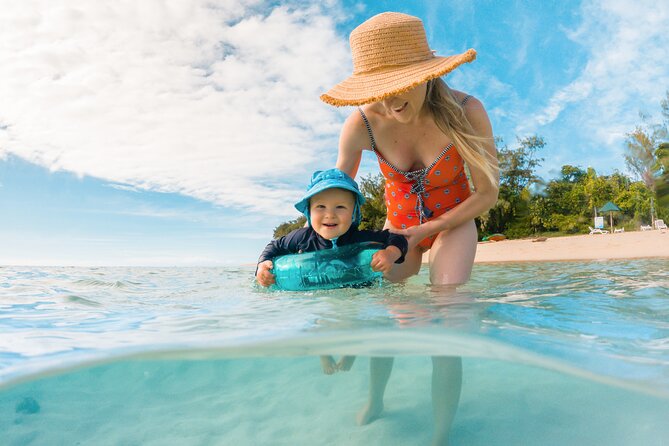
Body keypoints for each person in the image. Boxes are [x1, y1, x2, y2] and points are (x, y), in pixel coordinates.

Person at [319, 11, 499, 446]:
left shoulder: (465, 110)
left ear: (426, 73)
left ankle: (440, 434)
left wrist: (429, 231)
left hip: (454, 222)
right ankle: (377, 397)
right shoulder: (360, 125)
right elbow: (334, 210)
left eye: (402, 84)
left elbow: (488, 192)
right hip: (397, 228)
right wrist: (336, 326)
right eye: (378, 92)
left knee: (447, 314)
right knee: (383, 309)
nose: (391, 102)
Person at [255, 168, 409, 374]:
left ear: (354, 212)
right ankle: (324, 353)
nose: (330, 214)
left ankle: (350, 352)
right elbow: (274, 246)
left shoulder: (359, 238)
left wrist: (390, 253)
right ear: (309, 212)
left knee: (359, 323)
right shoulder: (302, 237)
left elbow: (396, 238)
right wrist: (262, 265)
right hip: (320, 295)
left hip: (357, 292)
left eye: (340, 206)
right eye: (320, 206)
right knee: (320, 322)